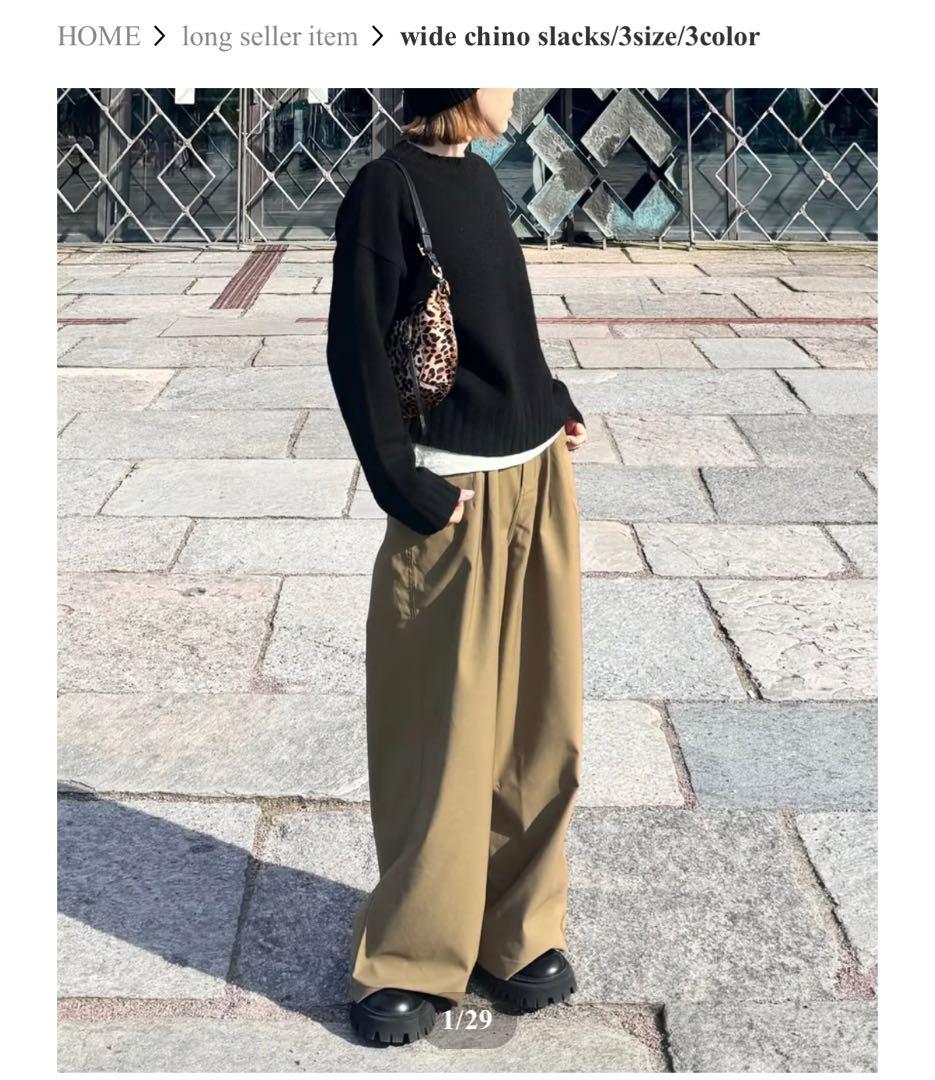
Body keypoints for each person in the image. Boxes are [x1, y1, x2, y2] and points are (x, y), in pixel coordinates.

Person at [326, 88, 588, 1046]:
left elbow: (496, 318)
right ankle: (410, 954)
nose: (515, 83)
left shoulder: (476, 177)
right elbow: (355, 350)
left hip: (536, 474)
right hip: (455, 496)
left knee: (538, 727)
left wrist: (550, 399)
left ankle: (515, 931)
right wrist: (404, 486)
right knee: (438, 733)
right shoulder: (385, 189)